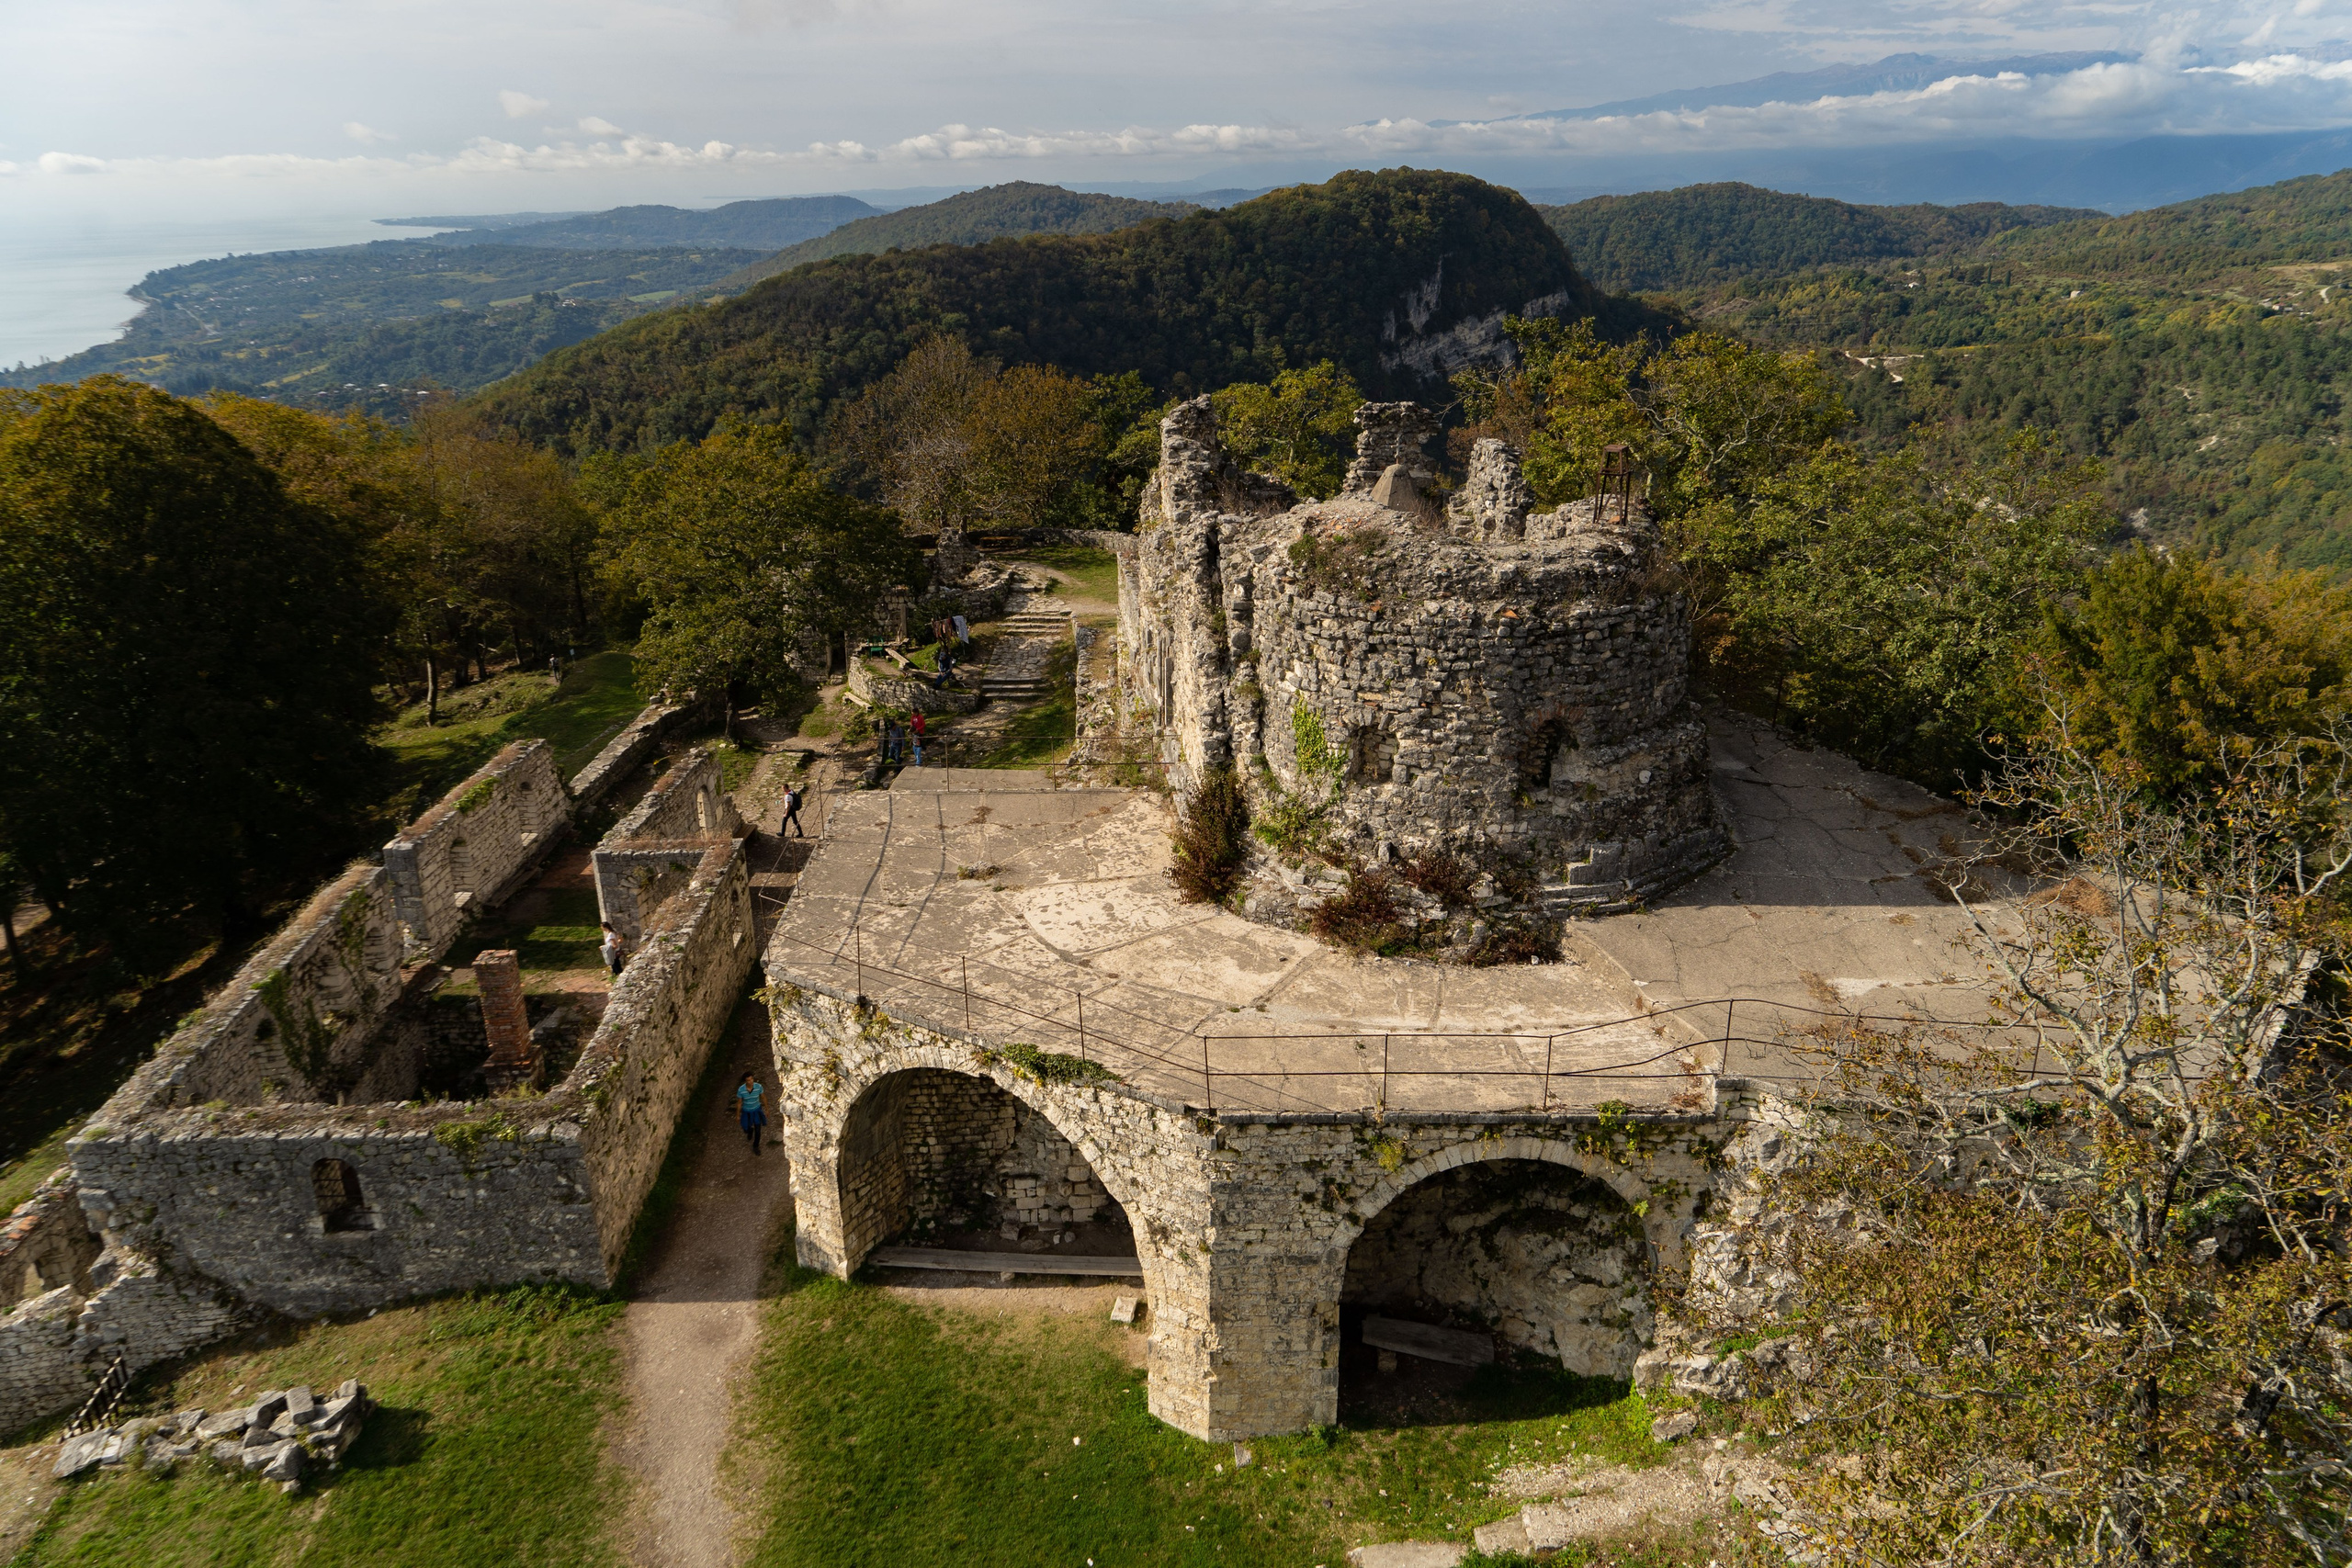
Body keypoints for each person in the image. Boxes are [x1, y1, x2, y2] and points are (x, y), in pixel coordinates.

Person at [734, 1071, 766, 1156]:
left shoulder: (758, 1087)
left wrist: (767, 1108)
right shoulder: (741, 1090)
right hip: (746, 1111)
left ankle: (756, 1146)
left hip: (756, 1110)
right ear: (745, 1081)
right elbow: (739, 1103)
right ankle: (750, 1130)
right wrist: (737, 1115)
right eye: (748, 1080)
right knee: (746, 1128)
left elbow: (763, 1097)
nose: (751, 1081)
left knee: (758, 1131)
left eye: (752, 1079)